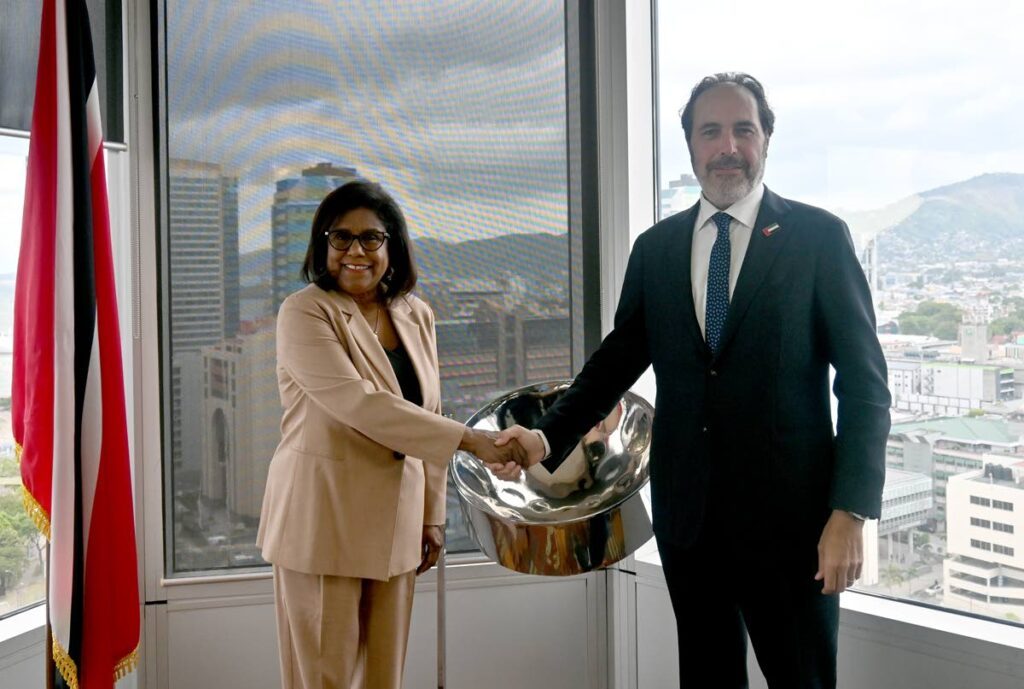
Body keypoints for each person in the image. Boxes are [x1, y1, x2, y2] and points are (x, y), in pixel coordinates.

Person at [494, 73, 891, 688]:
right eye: (711, 131)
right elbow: (614, 363)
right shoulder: (657, 248)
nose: (727, 145)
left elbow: (865, 386)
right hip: (691, 524)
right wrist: (545, 439)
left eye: (743, 129)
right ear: (690, 146)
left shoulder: (818, 239)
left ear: (765, 141)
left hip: (794, 528)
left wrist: (851, 511)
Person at [257, 180, 523, 689]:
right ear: (323, 246)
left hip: (397, 531)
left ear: (392, 246)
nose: (356, 251)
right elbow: (362, 406)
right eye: (341, 238)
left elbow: (429, 409)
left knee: (385, 679)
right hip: (322, 525)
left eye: (372, 238)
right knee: (324, 680)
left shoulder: (415, 313)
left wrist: (432, 517)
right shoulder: (304, 311)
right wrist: (472, 442)